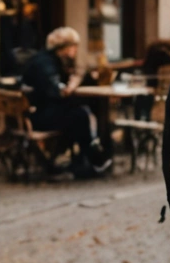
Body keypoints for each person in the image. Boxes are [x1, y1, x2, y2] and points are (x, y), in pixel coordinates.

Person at [20, 25, 110, 184]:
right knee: (80, 116)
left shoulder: (47, 59)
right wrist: (74, 83)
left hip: (38, 112)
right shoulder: (46, 63)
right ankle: (89, 160)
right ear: (66, 48)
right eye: (74, 46)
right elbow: (58, 92)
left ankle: (83, 159)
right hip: (37, 117)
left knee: (80, 113)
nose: (75, 50)